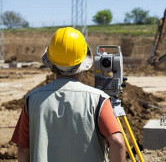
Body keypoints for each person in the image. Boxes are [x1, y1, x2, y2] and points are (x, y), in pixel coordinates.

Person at [11, 27, 126, 162]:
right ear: (84, 61)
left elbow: (23, 148)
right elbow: (117, 143)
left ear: (50, 61)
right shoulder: (98, 99)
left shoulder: (32, 100)